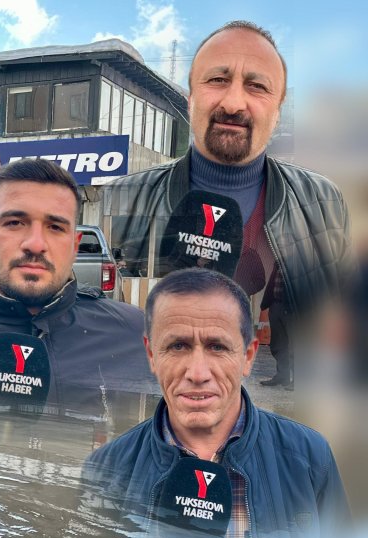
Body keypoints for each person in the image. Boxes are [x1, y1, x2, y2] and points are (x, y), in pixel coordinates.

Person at [105, 21, 354, 386]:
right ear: (190, 100)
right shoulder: (124, 199)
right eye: (217, 80)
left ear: (278, 110)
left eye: (257, 85)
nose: (234, 103)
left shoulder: (325, 204)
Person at [83, 268, 349, 538]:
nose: (198, 374)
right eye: (178, 346)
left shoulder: (310, 458)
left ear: (248, 356)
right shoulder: (105, 469)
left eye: (217, 347)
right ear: (151, 355)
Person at [0, 159, 154, 398]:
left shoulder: (137, 335)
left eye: (56, 227)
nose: (36, 244)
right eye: (15, 223)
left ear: (75, 246)